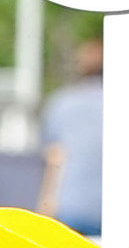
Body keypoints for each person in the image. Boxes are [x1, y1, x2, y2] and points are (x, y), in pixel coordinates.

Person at [39, 38, 107, 236]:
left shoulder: (61, 103)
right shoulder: (125, 102)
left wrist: (45, 209)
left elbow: (55, 158)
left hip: (70, 207)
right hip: (110, 209)